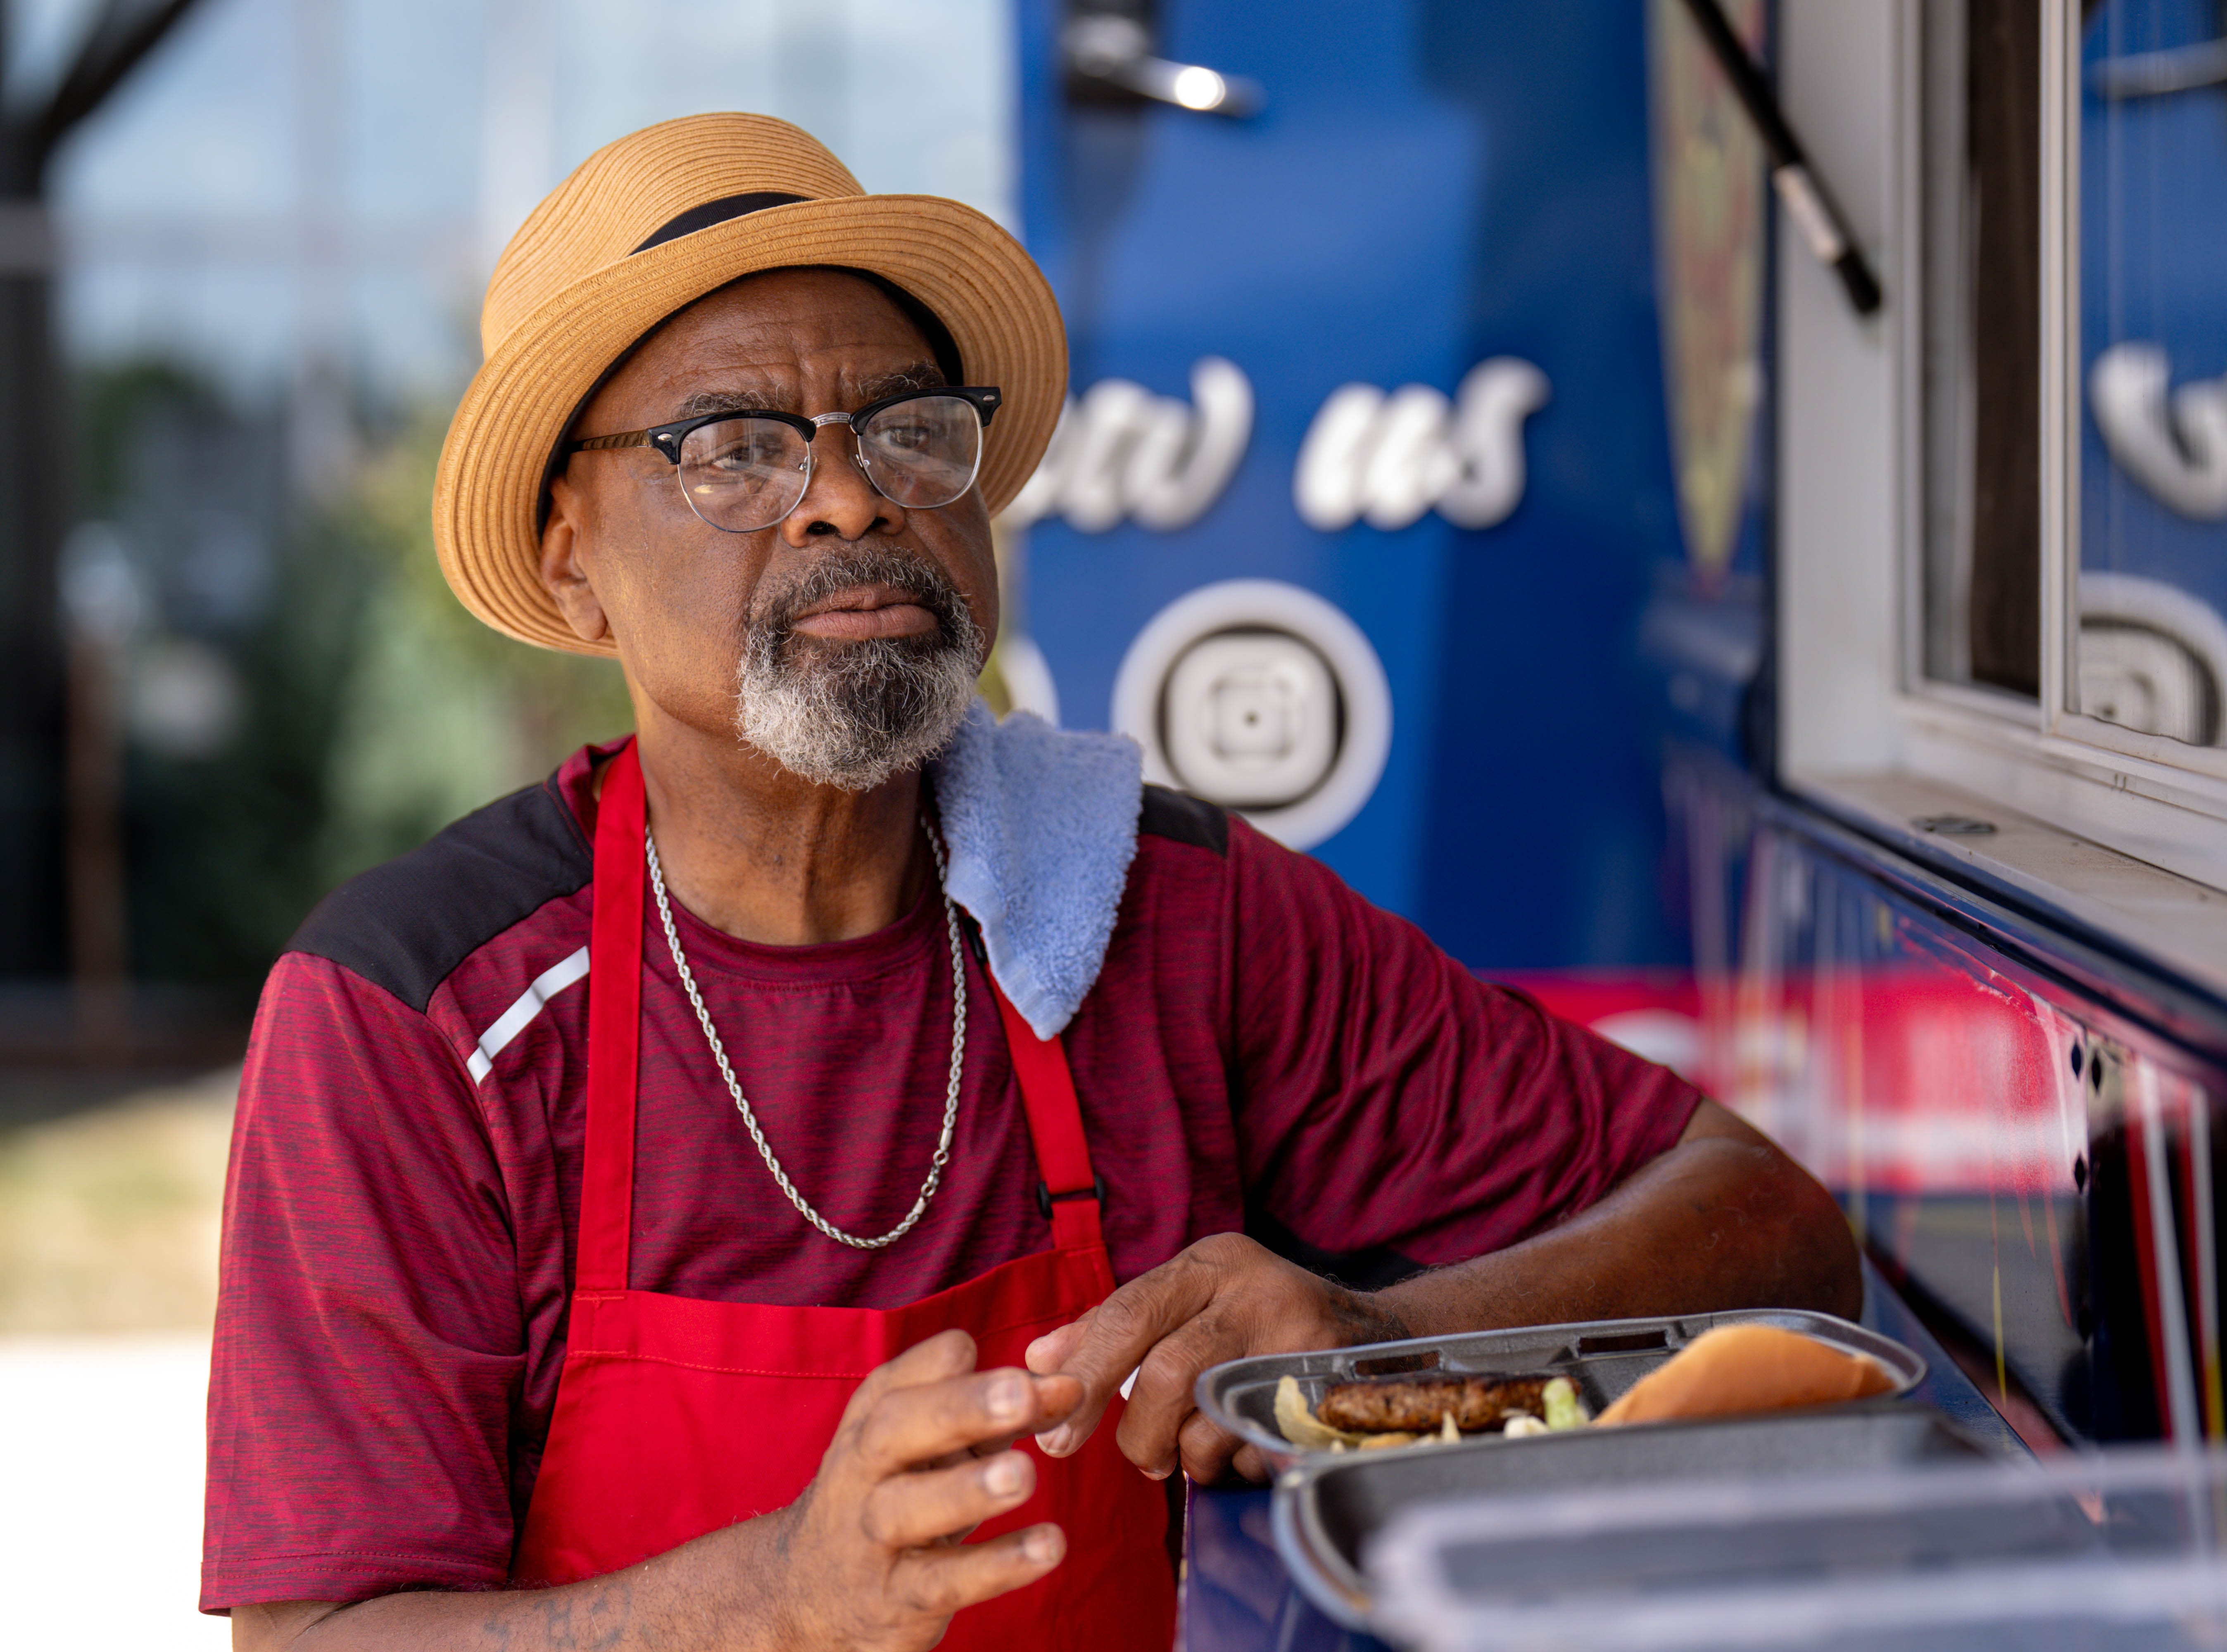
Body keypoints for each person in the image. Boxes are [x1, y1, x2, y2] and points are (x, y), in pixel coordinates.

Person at [208, 113, 1858, 1652]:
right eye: (733, 447)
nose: (852, 493)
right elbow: (315, 1637)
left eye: (909, 429)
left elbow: (1772, 1227)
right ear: (572, 559)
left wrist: (1387, 1339)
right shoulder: (421, 1017)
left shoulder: (1167, 911)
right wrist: (778, 1596)